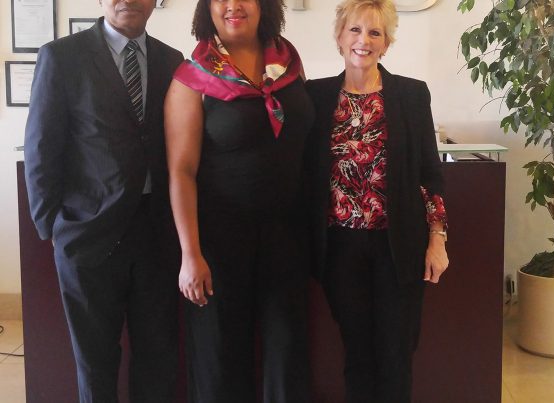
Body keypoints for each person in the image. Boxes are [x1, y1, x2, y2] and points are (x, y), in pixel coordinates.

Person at [24, 1, 183, 401]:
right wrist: (54, 229)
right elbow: (43, 145)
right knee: (95, 362)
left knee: (157, 356)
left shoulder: (172, 60)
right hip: (88, 235)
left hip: (155, 235)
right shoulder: (62, 57)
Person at [164, 0, 313, 402]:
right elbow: (180, 172)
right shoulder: (191, 79)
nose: (233, 5)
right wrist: (190, 254)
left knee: (288, 362)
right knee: (221, 367)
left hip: (286, 241)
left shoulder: (288, 65)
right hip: (218, 245)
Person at [305, 0, 449, 401]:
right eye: (355, 30)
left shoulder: (411, 95)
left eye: (374, 33)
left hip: (397, 246)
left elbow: (429, 174)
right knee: (357, 353)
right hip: (340, 249)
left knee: (396, 353)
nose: (363, 41)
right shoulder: (314, 97)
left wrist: (437, 238)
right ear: (339, 37)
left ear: (386, 44)